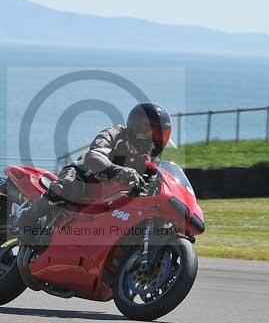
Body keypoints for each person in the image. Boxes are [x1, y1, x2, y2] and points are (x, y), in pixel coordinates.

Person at [11, 102, 172, 241]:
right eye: (153, 132)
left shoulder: (148, 158)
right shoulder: (115, 134)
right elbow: (94, 156)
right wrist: (118, 170)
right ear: (137, 126)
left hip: (109, 195)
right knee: (67, 187)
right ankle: (27, 217)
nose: (156, 139)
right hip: (84, 175)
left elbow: (160, 177)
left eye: (161, 134)